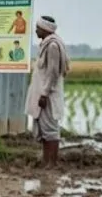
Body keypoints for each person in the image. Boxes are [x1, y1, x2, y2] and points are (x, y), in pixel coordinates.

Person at [25, 15, 69, 167]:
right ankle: (46, 161)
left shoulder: (52, 46)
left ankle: (52, 163)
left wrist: (44, 94)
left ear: (45, 29)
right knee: (44, 129)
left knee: (50, 130)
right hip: (43, 94)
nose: (36, 30)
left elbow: (52, 73)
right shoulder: (46, 44)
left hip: (48, 96)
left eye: (38, 28)